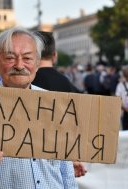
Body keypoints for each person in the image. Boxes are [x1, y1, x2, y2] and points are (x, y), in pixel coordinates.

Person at [0, 27, 78, 189]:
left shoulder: (57, 105)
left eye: (27, 58)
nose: (19, 65)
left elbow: (66, 172)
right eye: (10, 58)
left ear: (37, 63)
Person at [31, 31, 86, 178]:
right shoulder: (66, 83)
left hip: (29, 151)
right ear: (54, 55)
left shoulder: (25, 83)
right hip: (60, 152)